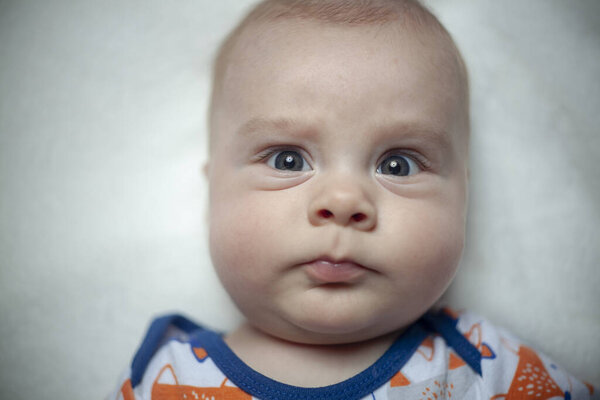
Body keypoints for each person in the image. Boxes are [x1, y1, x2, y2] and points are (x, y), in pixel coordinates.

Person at [109, 1, 597, 398]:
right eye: (286, 160)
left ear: (464, 196)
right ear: (211, 186)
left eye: (397, 165)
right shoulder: (163, 380)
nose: (343, 201)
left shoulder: (487, 367)